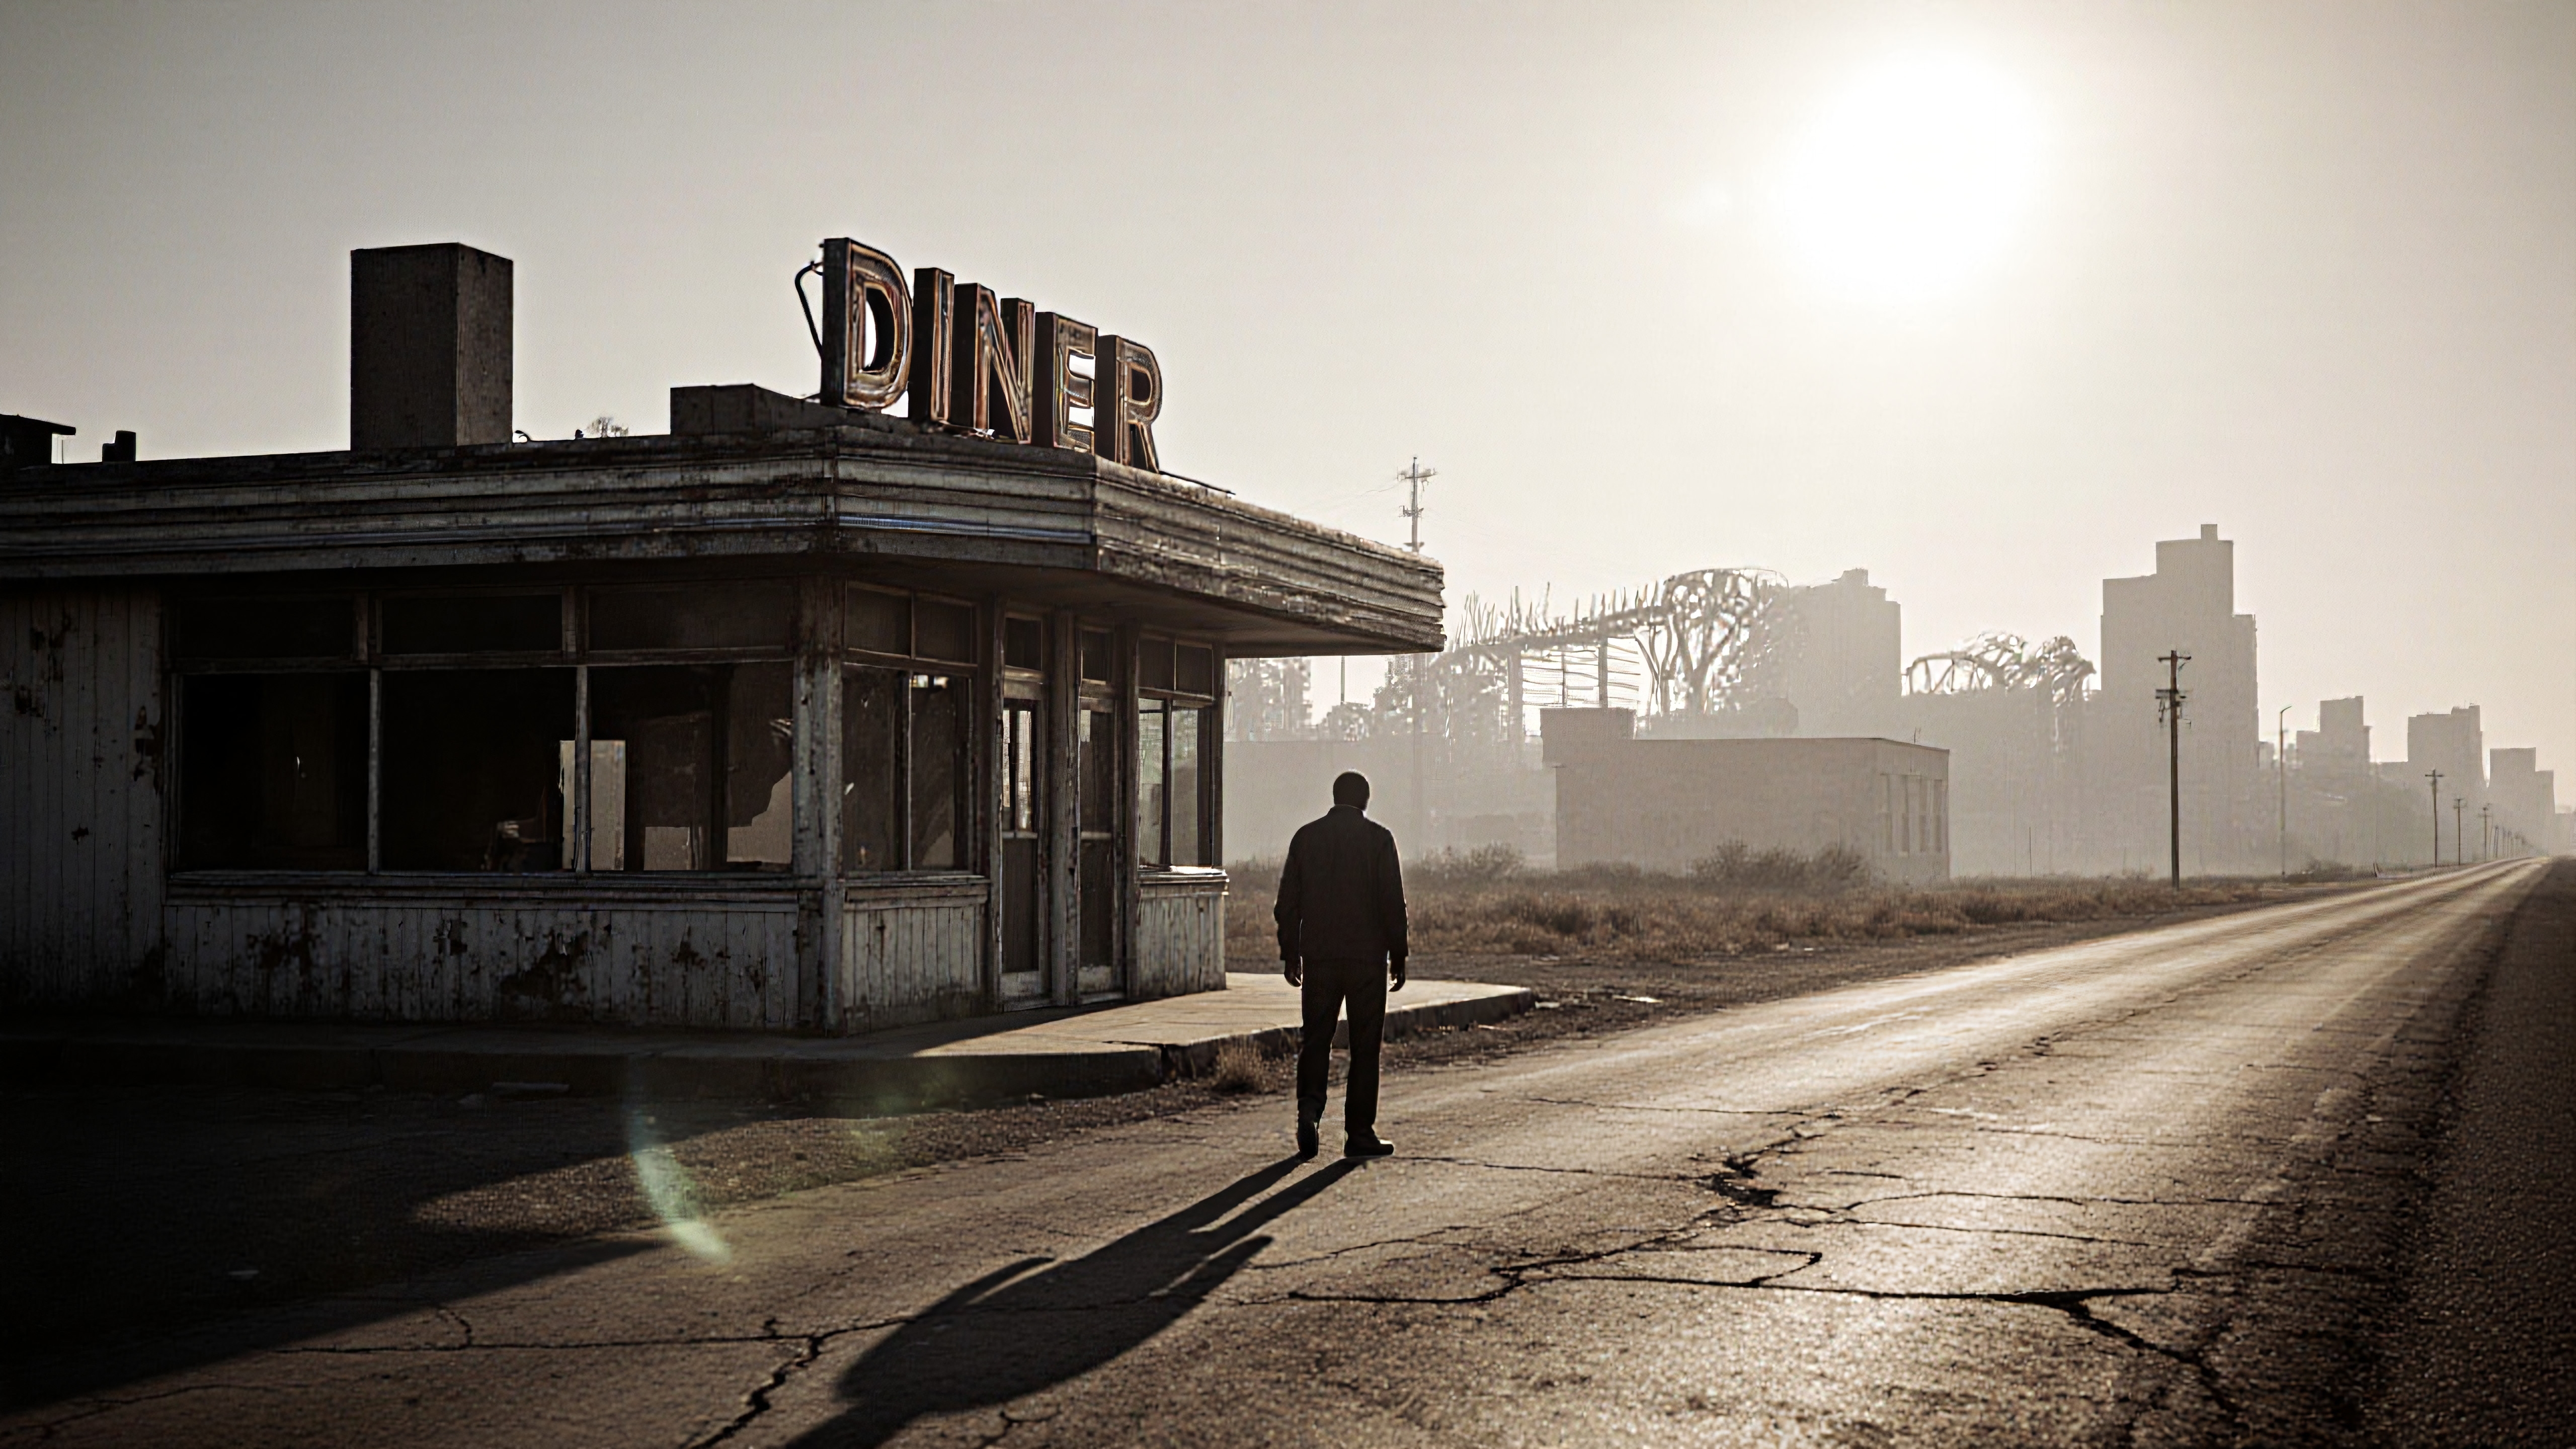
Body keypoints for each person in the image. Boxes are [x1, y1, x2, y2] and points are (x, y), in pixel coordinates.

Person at [1273, 770, 1408, 1159]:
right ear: (1365, 800)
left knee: (1316, 1039)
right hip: (1367, 960)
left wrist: (1291, 953)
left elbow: (1287, 903)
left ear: (1334, 798)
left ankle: (1309, 1111)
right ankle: (1359, 1133)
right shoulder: (1379, 839)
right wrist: (1399, 954)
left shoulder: (1306, 838)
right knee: (1365, 1046)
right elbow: (1392, 902)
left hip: (1320, 957)